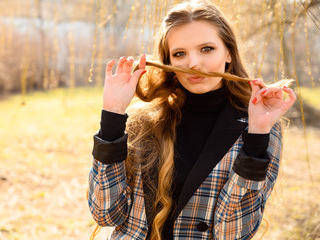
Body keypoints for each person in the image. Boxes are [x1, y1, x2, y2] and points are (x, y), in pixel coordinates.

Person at [88, 1, 296, 239]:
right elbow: (106, 214)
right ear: (169, 62)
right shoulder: (143, 121)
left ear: (228, 52)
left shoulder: (259, 125)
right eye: (180, 54)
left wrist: (257, 134)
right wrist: (112, 115)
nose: (194, 64)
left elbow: (233, 234)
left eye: (206, 49)